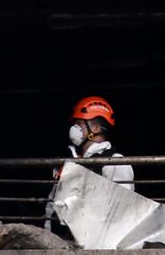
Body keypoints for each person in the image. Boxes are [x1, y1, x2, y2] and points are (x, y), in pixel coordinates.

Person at [45, 95, 134, 231]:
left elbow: (124, 210)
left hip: (95, 244)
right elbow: (51, 206)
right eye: (75, 123)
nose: (75, 128)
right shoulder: (68, 162)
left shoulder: (115, 161)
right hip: (61, 243)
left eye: (80, 124)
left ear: (96, 129)